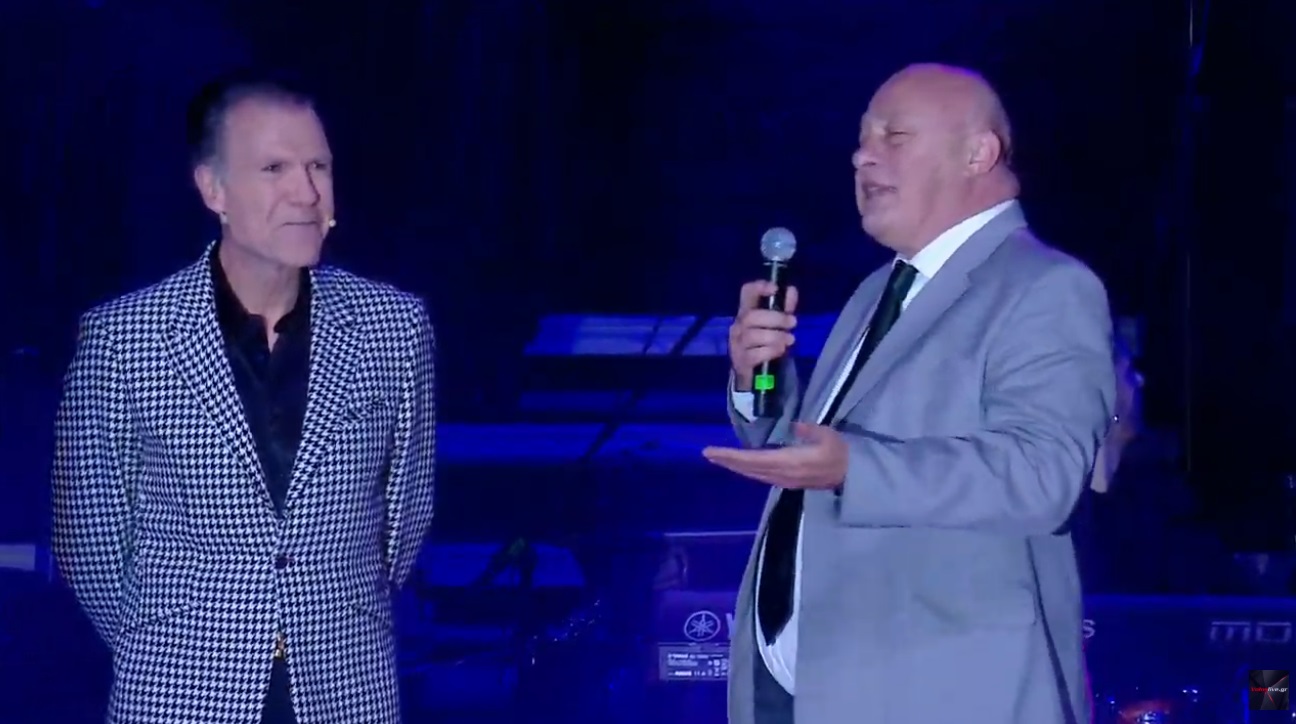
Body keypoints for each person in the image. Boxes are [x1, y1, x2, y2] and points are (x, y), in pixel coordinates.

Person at [703, 63, 1115, 724]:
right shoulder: (880, 289)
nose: (862, 156)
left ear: (977, 153)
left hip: (945, 693)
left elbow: (1042, 474)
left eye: (893, 136)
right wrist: (760, 381)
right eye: (861, 139)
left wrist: (853, 468)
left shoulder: (1045, 286)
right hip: (814, 687)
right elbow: (811, 456)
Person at [51, 72, 436, 724]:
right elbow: (90, 542)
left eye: (319, 166)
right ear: (213, 189)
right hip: (181, 690)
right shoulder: (125, 337)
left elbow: (403, 523)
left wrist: (330, 611)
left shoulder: (393, 328)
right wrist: (178, 637)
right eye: (274, 168)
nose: (306, 193)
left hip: (345, 687)